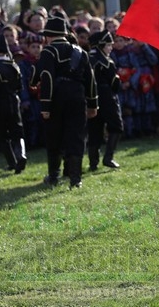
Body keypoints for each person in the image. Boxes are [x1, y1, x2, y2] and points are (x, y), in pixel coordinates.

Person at [34, 16, 97, 188]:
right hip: (78, 96)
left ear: (48, 35)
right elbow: (90, 80)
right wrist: (93, 104)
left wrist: (45, 105)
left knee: (55, 135)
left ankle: (54, 176)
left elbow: (46, 79)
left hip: (57, 97)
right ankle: (75, 179)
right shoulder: (81, 52)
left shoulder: (48, 52)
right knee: (76, 135)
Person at [87, 30, 122, 170]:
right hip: (107, 96)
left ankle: (93, 163)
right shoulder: (107, 61)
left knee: (94, 129)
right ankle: (108, 158)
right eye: (108, 45)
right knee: (116, 127)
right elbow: (114, 82)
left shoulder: (87, 58)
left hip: (91, 96)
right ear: (101, 45)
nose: (111, 48)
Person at [0, 34, 28, 174]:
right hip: (13, 100)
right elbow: (19, 87)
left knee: (2, 135)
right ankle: (21, 155)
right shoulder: (14, 65)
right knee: (17, 131)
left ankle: (12, 163)